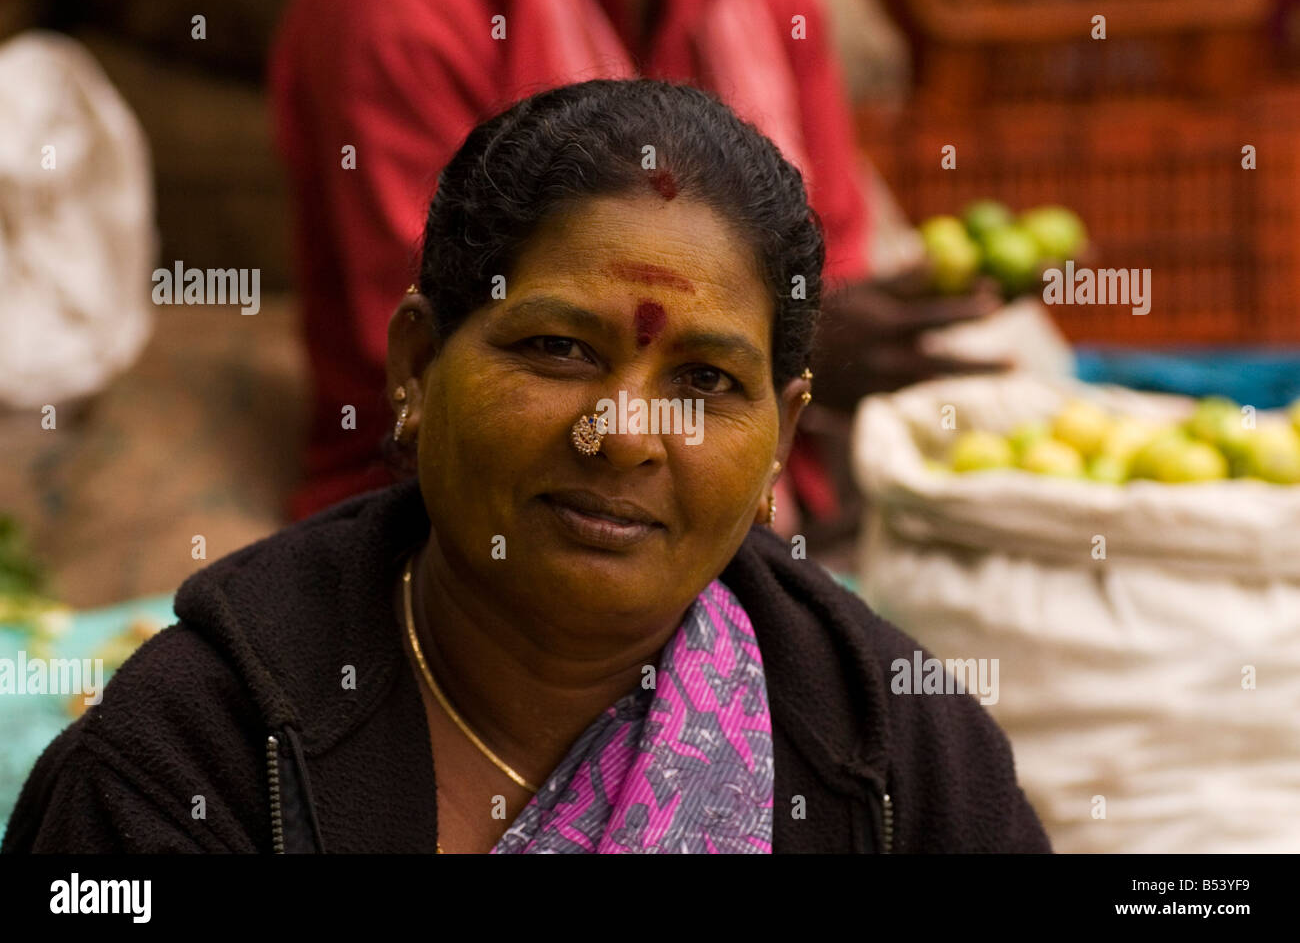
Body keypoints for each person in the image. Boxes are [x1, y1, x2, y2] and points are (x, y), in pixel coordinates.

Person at [3, 81, 1047, 853]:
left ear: (782, 432)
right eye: (557, 348)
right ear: (415, 364)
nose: (626, 431)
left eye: (706, 380)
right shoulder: (189, 767)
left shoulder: (903, 760)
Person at [270, 0, 1002, 525]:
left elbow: (834, 249)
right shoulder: (393, 12)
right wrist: (806, 343)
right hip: (460, 505)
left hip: (770, 497)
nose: (629, 434)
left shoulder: (773, 4)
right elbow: (462, 325)